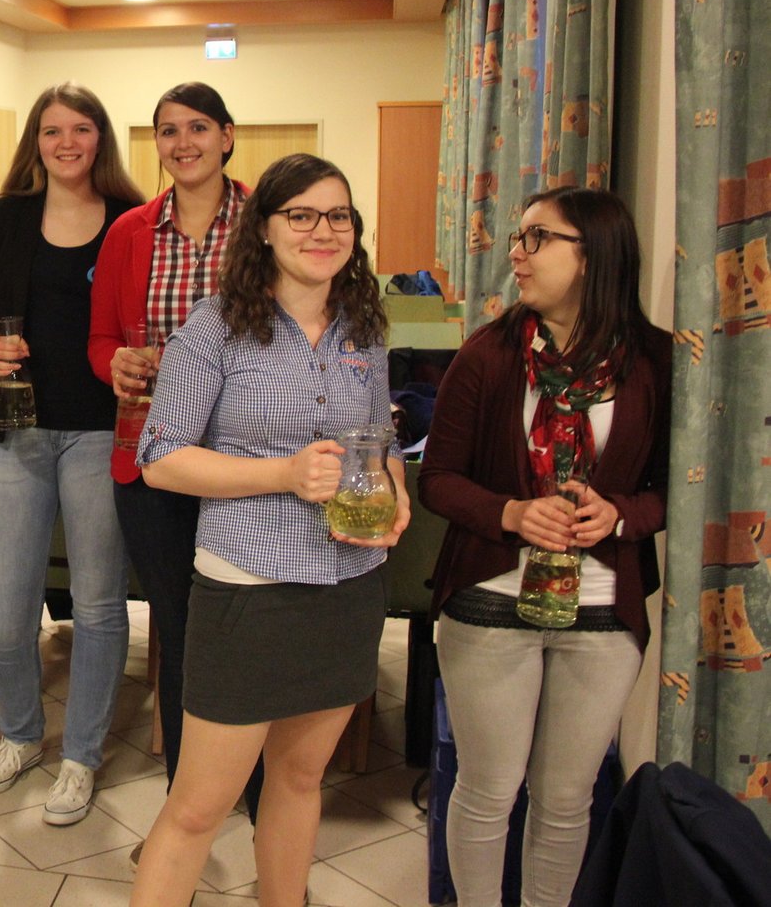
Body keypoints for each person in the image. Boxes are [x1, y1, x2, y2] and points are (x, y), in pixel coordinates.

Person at [130, 154, 409, 907]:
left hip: (347, 585)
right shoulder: (214, 326)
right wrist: (283, 473)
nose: (323, 231)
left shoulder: (363, 327)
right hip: (248, 589)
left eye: (339, 216)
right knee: (198, 807)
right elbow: (161, 459)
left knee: (299, 778)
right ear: (265, 228)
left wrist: (395, 490)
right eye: (302, 215)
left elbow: (379, 439)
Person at [419, 187, 670, 907]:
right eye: (517, 239)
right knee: (488, 790)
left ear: (593, 256)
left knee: (566, 800)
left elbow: (675, 486)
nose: (518, 255)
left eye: (538, 239)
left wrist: (619, 516)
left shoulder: (654, 360)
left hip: (604, 611)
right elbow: (437, 479)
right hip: (491, 602)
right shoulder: (489, 354)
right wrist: (511, 513)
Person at [0, 81, 144, 825]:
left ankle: (82, 755)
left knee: (97, 606)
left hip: (100, 431)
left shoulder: (132, 218)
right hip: (13, 431)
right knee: (4, 616)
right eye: (52, 131)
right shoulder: (8, 217)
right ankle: (23, 736)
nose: (67, 143)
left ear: (101, 138)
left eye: (81, 129)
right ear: (35, 141)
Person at [87, 82, 264, 858]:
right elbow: (100, 337)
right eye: (167, 131)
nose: (183, 143)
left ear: (227, 135)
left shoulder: (269, 220)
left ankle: (260, 808)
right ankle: (184, 814)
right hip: (154, 462)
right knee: (184, 630)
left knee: (248, 630)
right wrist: (115, 363)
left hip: (247, 464)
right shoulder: (130, 231)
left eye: (198, 128)